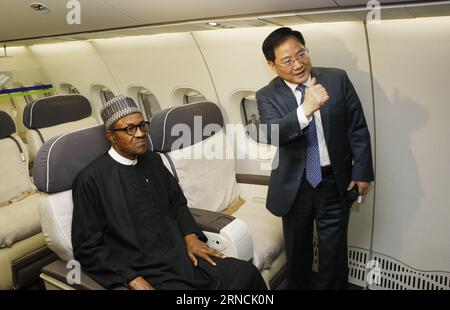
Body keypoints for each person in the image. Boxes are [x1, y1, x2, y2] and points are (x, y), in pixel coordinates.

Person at [71, 95, 267, 290]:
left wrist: (191, 237)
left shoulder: (153, 161)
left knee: (246, 274)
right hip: (145, 270)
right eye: (130, 129)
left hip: (183, 256)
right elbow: (87, 248)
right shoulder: (90, 180)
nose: (140, 134)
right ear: (111, 136)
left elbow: (177, 203)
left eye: (142, 126)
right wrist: (131, 278)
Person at [256, 27, 374, 289]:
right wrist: (306, 108)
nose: (298, 64)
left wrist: (362, 171)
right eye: (287, 60)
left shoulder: (336, 78)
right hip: (294, 188)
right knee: (298, 253)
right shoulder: (266, 95)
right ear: (272, 65)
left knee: (334, 253)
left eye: (302, 54)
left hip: (333, 181)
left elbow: (357, 128)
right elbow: (273, 134)